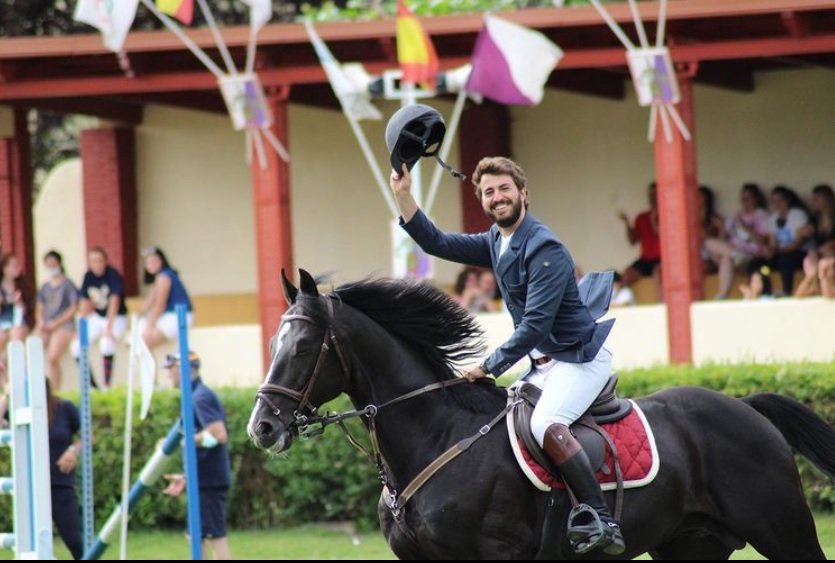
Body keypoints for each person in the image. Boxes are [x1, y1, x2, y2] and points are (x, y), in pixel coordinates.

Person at [391, 155, 624, 555]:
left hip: (579, 362)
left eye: (504, 189)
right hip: (543, 366)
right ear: (482, 200)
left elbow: (534, 326)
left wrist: (487, 366)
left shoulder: (544, 248)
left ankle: (600, 518)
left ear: (523, 194)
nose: (497, 198)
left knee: (545, 424)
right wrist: (404, 196)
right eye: (488, 192)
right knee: (500, 422)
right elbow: (437, 242)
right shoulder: (497, 242)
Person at [162, 351, 232, 560]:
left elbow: (218, 435)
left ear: (182, 370)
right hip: (203, 479)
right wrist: (186, 477)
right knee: (196, 537)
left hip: (209, 482)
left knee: (215, 538)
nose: (168, 375)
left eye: (170, 370)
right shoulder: (195, 395)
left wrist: (184, 441)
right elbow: (207, 440)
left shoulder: (200, 396)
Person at [71, 247, 129, 390]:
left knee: (106, 343)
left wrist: (109, 328)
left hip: (116, 317)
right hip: (97, 316)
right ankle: (91, 386)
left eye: (99, 260)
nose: (97, 264)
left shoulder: (113, 274)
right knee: (76, 346)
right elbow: (84, 303)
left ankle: (106, 386)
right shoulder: (88, 276)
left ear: (105, 261)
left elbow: (115, 301)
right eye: (93, 261)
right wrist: (80, 329)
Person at [46, 379, 84, 560]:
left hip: (61, 484)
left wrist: (73, 450)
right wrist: (7, 394)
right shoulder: (18, 407)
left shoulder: (64, 408)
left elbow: (88, 434)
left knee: (75, 541)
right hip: (30, 487)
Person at [35, 251, 78, 391]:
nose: (52, 267)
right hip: (46, 325)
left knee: (53, 357)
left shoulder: (68, 284)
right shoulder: (45, 286)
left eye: (54, 264)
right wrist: (41, 322)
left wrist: (55, 324)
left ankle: (55, 391)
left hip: (64, 325)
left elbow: (73, 308)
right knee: (31, 348)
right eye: (48, 264)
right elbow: (40, 307)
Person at [138, 246, 193, 350]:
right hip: (168, 315)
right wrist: (138, 316)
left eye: (154, 261)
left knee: (145, 340)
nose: (151, 264)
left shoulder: (165, 276)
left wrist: (149, 327)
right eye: (148, 262)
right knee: (138, 341)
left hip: (177, 315)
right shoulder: (158, 278)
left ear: (162, 261)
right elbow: (147, 304)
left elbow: (160, 306)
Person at [618, 182, 661, 301]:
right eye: (651, 195)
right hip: (646, 259)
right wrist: (627, 223)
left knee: (659, 274)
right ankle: (615, 302)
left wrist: (655, 221)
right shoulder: (642, 217)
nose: (653, 198)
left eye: (656, 194)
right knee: (627, 274)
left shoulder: (668, 214)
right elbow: (633, 241)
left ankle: (662, 305)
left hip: (662, 259)